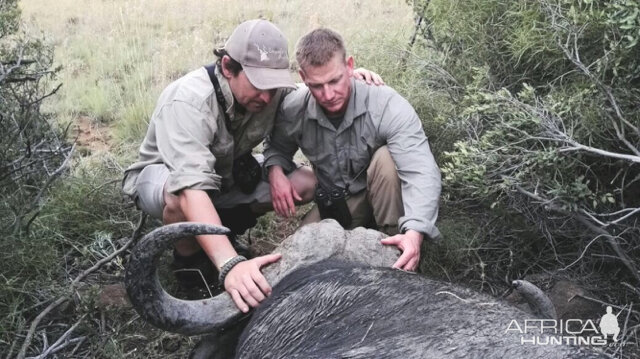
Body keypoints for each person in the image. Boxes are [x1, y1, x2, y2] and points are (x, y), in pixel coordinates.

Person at [122, 19, 381, 313]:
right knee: (179, 198)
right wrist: (231, 265)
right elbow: (191, 187)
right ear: (229, 67)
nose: (267, 97)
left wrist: (350, 81)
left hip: (223, 174)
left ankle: (223, 232)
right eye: (259, 85)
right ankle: (190, 264)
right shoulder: (189, 100)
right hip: (163, 179)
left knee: (306, 182)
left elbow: (311, 94)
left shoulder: (271, 91)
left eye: (273, 86)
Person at [264, 27, 442, 272]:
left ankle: (395, 249)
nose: (328, 94)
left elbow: (421, 171)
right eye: (317, 85)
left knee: (387, 160)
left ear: (349, 66)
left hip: (382, 194)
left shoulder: (387, 104)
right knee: (294, 264)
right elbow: (277, 146)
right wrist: (274, 171)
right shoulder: (294, 106)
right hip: (336, 202)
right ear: (304, 78)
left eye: (335, 80)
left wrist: (415, 232)